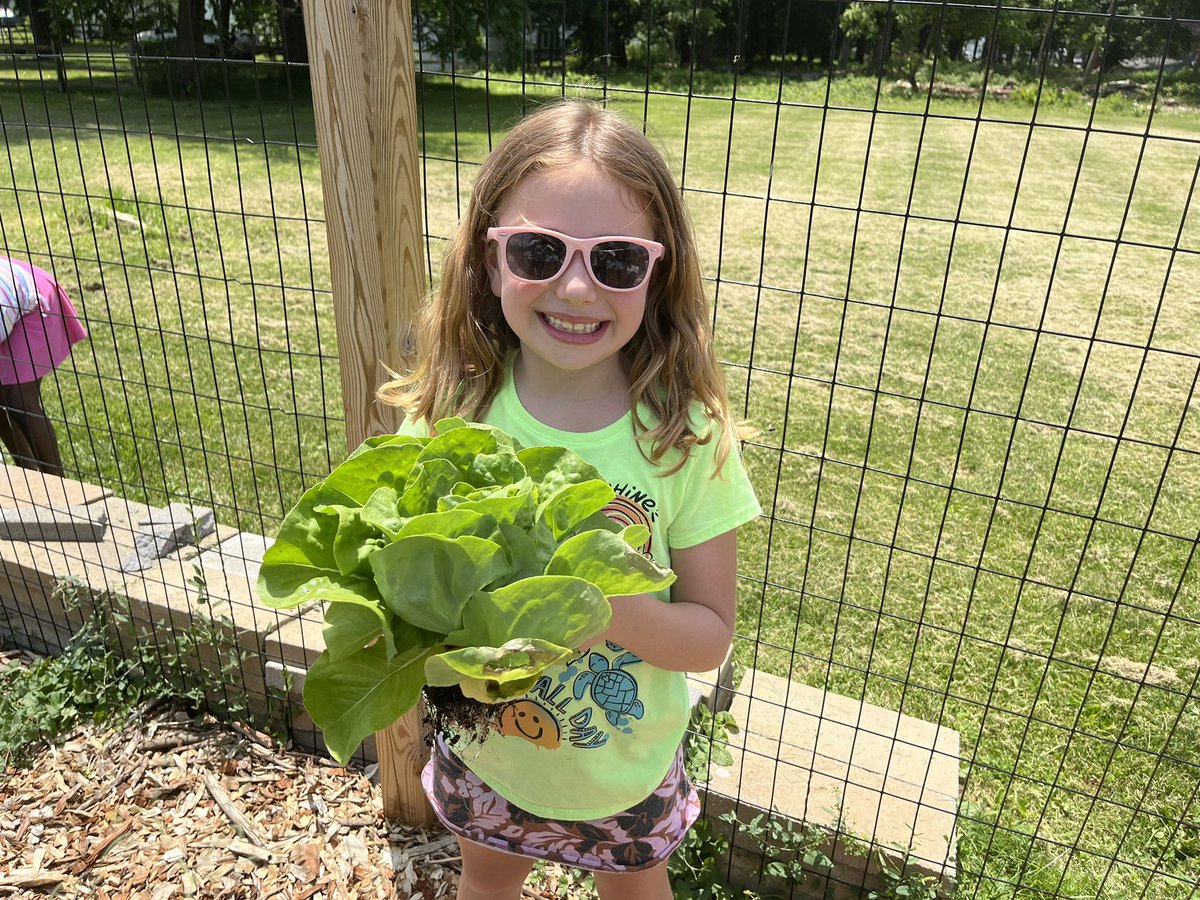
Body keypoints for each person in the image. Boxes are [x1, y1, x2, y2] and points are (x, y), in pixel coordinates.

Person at [379, 100, 761, 900]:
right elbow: (391, 573)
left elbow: (709, 636)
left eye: (617, 260)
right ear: (489, 261)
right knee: (486, 882)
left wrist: (590, 603)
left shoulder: (685, 439)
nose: (578, 287)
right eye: (539, 251)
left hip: (624, 768)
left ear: (658, 273)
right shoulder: (451, 418)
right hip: (488, 749)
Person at [0, 257, 87, 478]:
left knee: (19, 400)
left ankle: (57, 485)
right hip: (13, 292)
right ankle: (28, 475)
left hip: (35, 300)